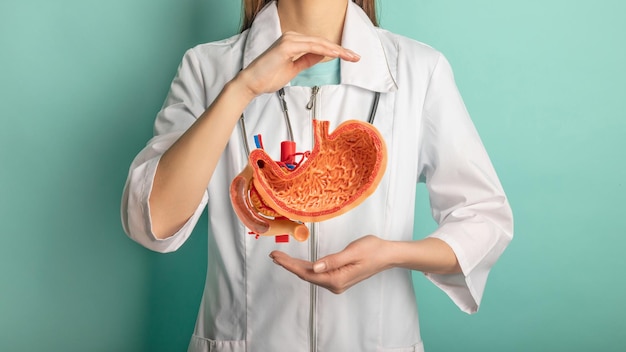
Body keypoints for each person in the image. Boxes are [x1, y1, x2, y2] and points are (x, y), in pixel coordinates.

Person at [121, 0, 514, 351]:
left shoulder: (418, 70)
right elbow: (152, 223)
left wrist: (392, 254)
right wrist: (242, 88)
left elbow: (485, 219)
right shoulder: (208, 68)